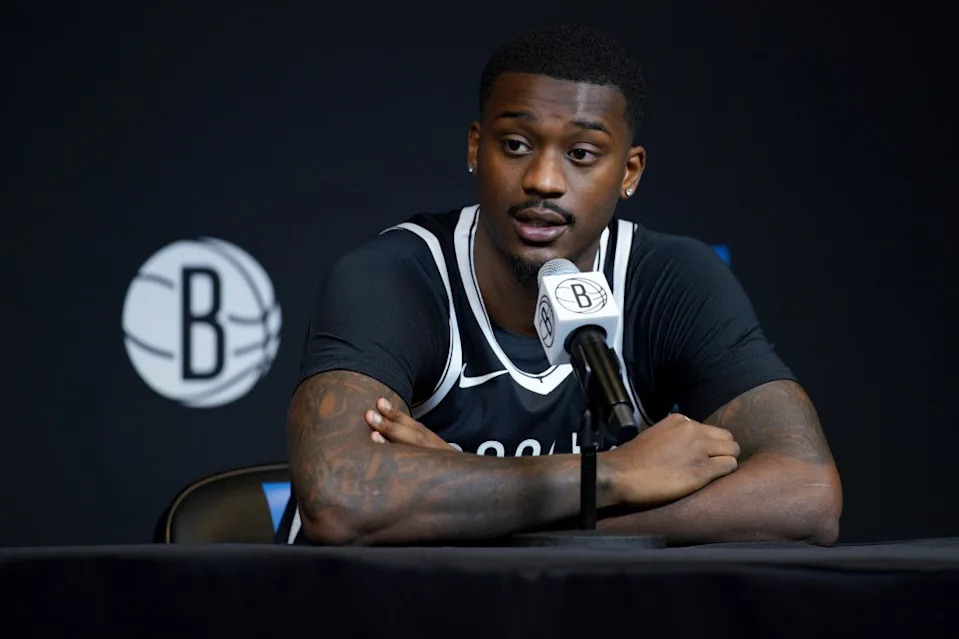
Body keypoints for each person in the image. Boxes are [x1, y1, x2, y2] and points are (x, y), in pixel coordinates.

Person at [281, 23, 842, 546]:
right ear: (476, 147)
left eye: (581, 154)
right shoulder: (394, 275)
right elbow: (341, 497)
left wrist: (483, 503)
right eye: (516, 145)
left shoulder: (674, 280)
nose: (544, 180)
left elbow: (806, 494)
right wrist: (619, 474)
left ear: (629, 172)